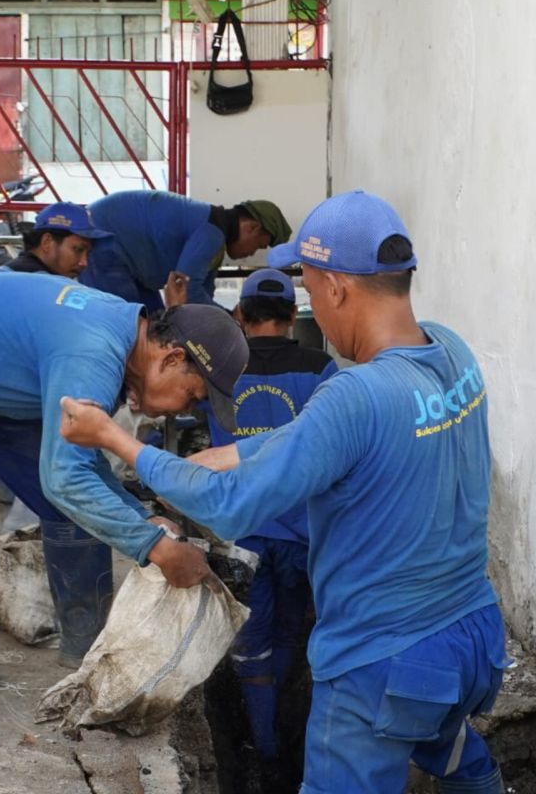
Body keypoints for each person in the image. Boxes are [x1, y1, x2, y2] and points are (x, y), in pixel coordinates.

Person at [59, 190, 510, 794]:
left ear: (336, 288)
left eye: (311, 287)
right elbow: (318, 437)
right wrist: (237, 451)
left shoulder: (355, 397)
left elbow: (230, 505)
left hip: (381, 661)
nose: (314, 307)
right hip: (472, 640)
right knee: (447, 747)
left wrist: (119, 441)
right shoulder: (452, 353)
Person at [0, 270, 246, 757]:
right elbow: (66, 478)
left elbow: (82, 461)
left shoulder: (121, 344)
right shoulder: (94, 353)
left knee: (78, 506)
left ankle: (86, 647)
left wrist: (141, 520)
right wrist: (158, 549)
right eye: (193, 396)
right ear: (172, 358)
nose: (181, 410)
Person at [202, 268, 335, 771]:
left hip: (244, 533)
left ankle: (262, 745)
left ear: (242, 315)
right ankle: (283, 738)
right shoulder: (321, 368)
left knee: (251, 642)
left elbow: (218, 448)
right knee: (288, 633)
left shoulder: (221, 370)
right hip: (304, 533)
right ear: (292, 316)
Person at [79, 190, 292, 311]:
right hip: (104, 244)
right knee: (129, 328)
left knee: (154, 323)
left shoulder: (214, 239)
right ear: (251, 227)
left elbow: (203, 295)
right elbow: (187, 291)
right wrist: (231, 318)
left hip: (126, 258)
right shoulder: (211, 232)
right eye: (259, 245)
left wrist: (230, 317)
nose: (253, 252)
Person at [5, 201, 109, 279]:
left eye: (88, 253)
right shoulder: (46, 288)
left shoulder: (7, 271)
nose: (84, 263)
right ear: (47, 242)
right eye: (78, 250)